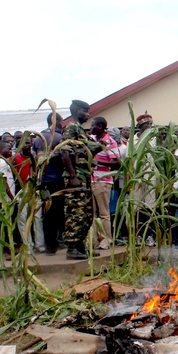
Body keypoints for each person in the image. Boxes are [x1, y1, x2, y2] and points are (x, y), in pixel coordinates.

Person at [61, 100, 99, 260]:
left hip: (84, 174)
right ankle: (72, 247)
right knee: (76, 211)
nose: (88, 114)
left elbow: (81, 151)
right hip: (76, 176)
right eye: (85, 111)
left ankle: (80, 246)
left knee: (86, 213)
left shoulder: (80, 129)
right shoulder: (71, 128)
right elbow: (65, 152)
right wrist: (73, 176)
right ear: (76, 111)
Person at [32, 112, 65, 256]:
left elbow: (35, 158)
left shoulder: (38, 138)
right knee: (58, 212)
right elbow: (65, 157)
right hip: (57, 180)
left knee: (47, 212)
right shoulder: (59, 137)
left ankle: (50, 245)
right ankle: (56, 242)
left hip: (43, 181)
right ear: (57, 122)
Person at [90, 116, 120, 250]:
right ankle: (93, 241)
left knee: (104, 213)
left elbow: (117, 163)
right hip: (90, 180)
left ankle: (106, 240)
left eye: (93, 126)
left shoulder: (110, 142)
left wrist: (99, 162)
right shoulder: (91, 140)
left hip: (103, 181)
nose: (91, 128)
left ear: (100, 127)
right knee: (91, 213)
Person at [13, 135, 45, 253]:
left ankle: (40, 245)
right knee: (23, 220)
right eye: (24, 143)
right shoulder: (15, 159)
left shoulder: (36, 158)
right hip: (22, 192)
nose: (27, 145)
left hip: (35, 192)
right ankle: (28, 246)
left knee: (38, 218)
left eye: (28, 143)